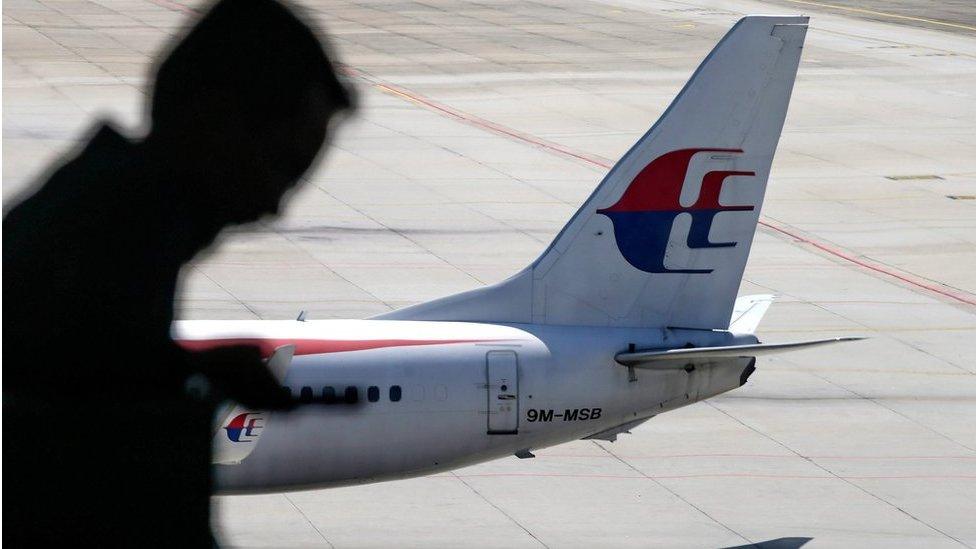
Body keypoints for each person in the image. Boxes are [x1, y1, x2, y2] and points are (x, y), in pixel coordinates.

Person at [2, 0, 354, 545]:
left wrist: (179, 368)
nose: (274, 206)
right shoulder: (121, 240)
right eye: (280, 164)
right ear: (214, 120)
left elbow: (71, 365)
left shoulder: (94, 213)